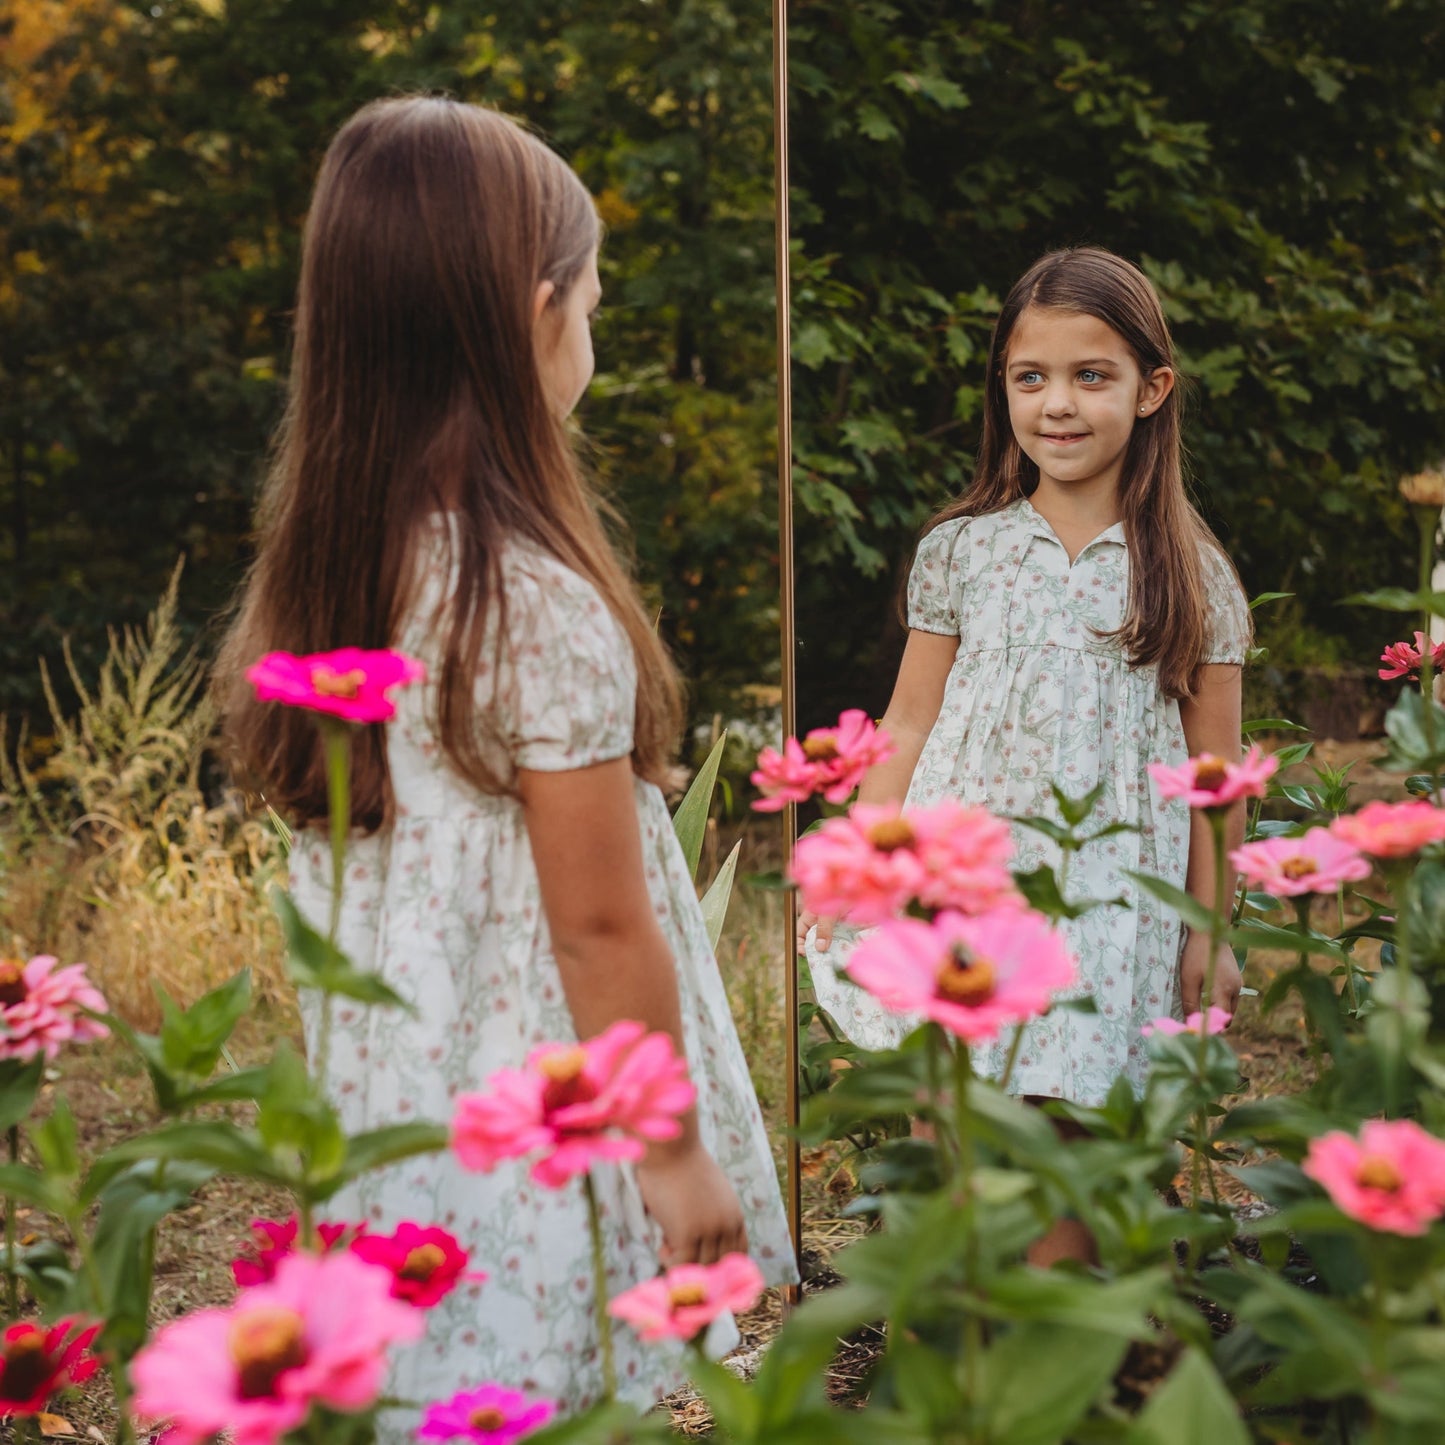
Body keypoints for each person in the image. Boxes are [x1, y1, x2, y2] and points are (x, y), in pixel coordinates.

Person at [216, 97, 794, 1428]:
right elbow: (597, 928)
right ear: (533, 311)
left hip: (399, 1107)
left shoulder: (334, 583)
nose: (591, 330)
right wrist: (675, 1152)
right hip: (551, 1114)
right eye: (592, 301)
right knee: (548, 1388)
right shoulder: (527, 599)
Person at [801, 245, 1251, 1117]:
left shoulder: (1192, 576)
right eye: (1029, 377)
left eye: (1090, 375)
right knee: (960, 1122)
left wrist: (1210, 931)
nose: (1056, 404)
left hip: (1112, 898)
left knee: (1077, 1139)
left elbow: (1215, 780)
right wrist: (855, 864)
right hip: (971, 884)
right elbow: (907, 720)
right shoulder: (961, 551)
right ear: (1002, 388)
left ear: (1150, 389)